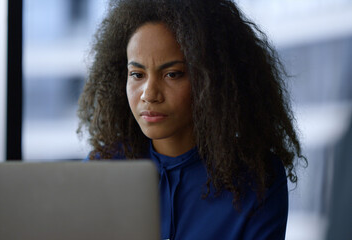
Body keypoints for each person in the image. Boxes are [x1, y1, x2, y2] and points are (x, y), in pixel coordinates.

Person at [77, 0, 306, 239]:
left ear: (213, 79)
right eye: (137, 74)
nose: (148, 94)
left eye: (172, 74)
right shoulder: (100, 171)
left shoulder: (257, 179)